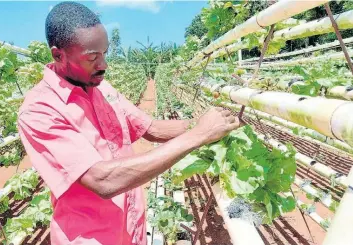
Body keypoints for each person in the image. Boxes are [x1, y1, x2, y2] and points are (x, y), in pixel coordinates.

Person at [17, 2, 240, 245]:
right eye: (92, 57)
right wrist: (198, 135)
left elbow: (151, 129)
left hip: (132, 229)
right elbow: (102, 180)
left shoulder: (102, 88)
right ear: (58, 54)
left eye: (105, 53)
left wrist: (216, 123)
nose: (103, 65)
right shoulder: (40, 111)